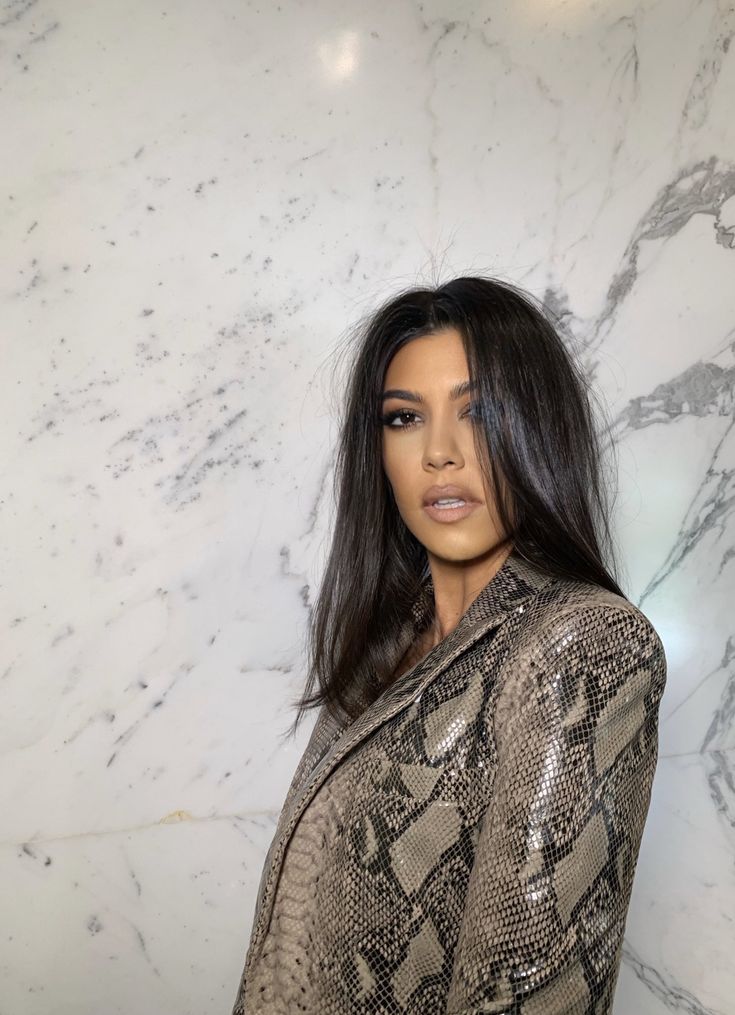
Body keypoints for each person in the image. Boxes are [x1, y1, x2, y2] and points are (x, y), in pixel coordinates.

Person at [230, 275, 667, 1014]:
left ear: (536, 430)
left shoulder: (580, 643)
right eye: (403, 419)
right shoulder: (390, 641)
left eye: (480, 412)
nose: (439, 453)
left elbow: (529, 994)